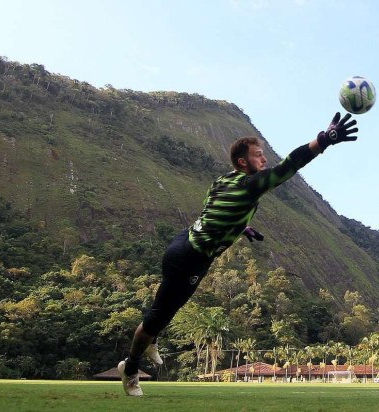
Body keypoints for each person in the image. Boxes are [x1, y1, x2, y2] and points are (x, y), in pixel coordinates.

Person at [117, 112, 358, 396]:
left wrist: (242, 226)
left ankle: (153, 336)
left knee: (171, 306)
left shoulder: (222, 181)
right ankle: (130, 368)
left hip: (185, 241)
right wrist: (323, 140)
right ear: (243, 162)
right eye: (258, 155)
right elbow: (288, 167)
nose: (264, 159)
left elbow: (214, 210)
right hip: (191, 257)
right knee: (156, 316)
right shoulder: (249, 184)